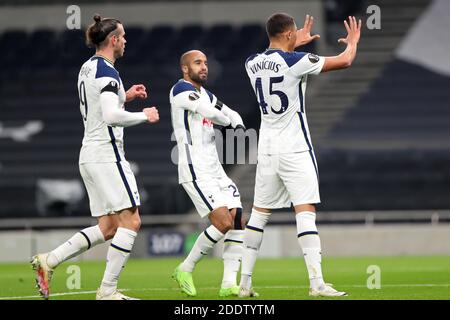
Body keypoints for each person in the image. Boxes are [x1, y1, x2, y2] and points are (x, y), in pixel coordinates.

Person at [31, 14, 159, 300]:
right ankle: (108, 291)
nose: (125, 41)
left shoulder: (88, 67)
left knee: (109, 227)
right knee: (132, 222)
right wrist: (144, 115)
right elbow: (111, 116)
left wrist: (124, 95)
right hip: (107, 154)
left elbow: (102, 105)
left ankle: (48, 261)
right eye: (123, 36)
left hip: (89, 154)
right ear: (113, 40)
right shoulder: (108, 72)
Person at [238, 13, 361, 297]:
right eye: (294, 32)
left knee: (258, 215)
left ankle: (244, 284)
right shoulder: (295, 62)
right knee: (305, 211)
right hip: (294, 147)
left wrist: (294, 44)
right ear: (288, 34)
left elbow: (277, 59)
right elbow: (345, 60)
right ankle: (316, 283)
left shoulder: (251, 63)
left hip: (267, 148)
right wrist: (352, 42)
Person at [169, 50, 247, 297]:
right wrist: (229, 122)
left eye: (205, 63)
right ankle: (185, 267)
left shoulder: (207, 94)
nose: (204, 67)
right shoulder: (181, 91)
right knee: (223, 222)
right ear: (185, 68)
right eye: (197, 63)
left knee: (237, 220)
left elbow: (230, 112)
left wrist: (238, 123)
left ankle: (228, 285)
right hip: (195, 169)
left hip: (215, 170)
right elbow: (212, 113)